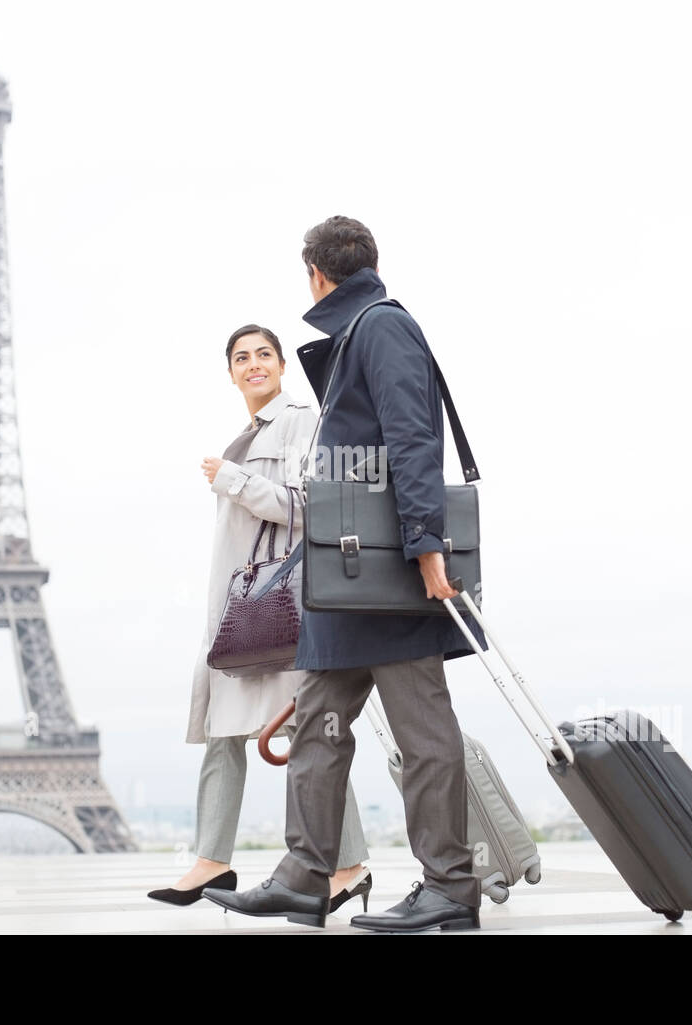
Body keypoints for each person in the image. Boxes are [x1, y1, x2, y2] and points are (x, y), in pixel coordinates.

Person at [204, 217, 484, 932]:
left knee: (423, 731)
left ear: (317, 275)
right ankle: (305, 877)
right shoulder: (363, 329)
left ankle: (450, 887)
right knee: (318, 729)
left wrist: (426, 545)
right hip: (350, 577)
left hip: (389, 573)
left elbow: (412, 437)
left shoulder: (382, 327)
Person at [147, 323, 371, 912]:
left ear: (281, 365)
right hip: (243, 606)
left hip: (278, 603)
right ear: (230, 373)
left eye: (264, 354)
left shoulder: (300, 420)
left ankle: (349, 865)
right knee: (224, 730)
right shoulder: (250, 433)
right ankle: (212, 860)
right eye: (242, 357)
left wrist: (233, 480)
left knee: (305, 734)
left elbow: (308, 504)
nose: (253, 364)